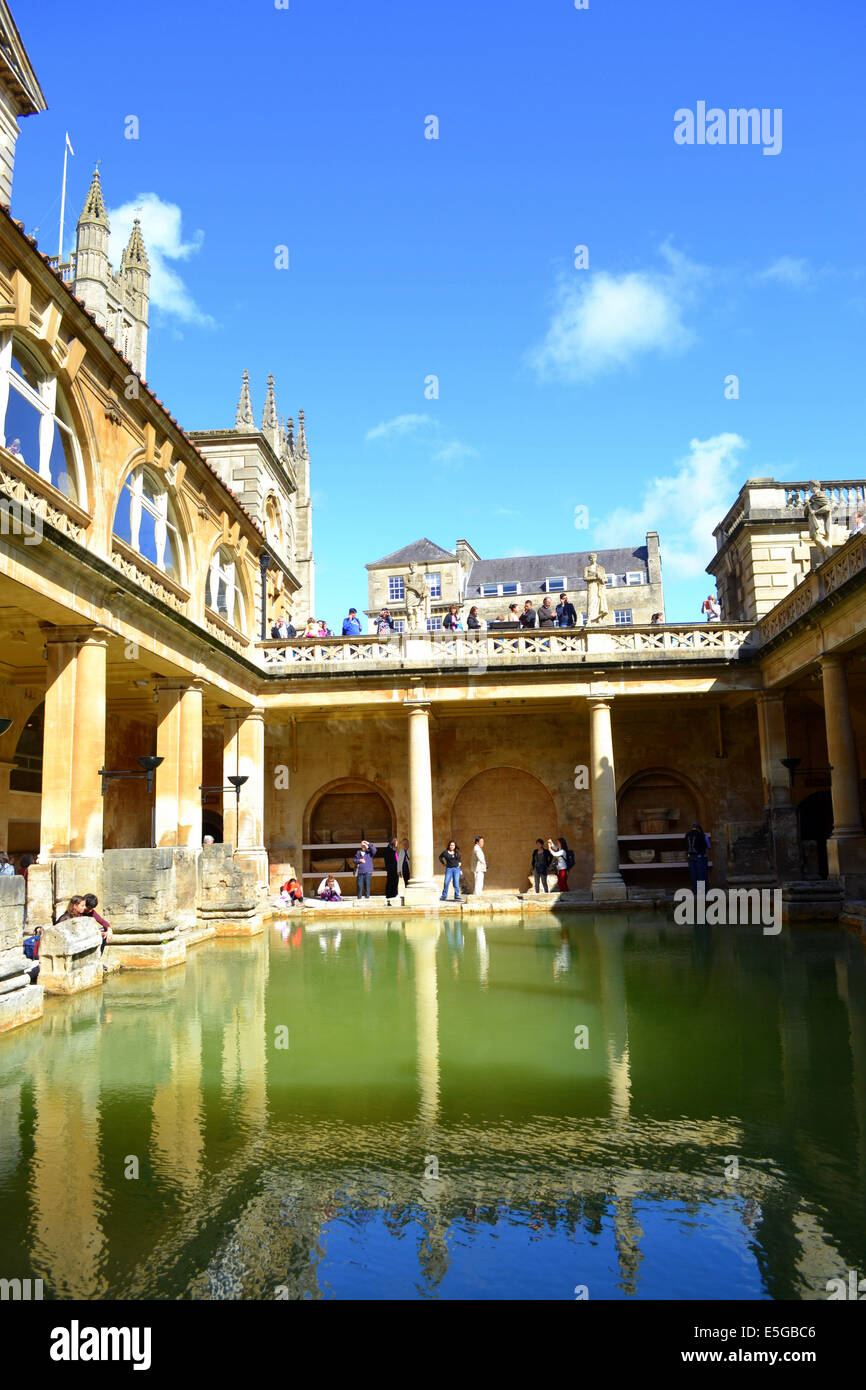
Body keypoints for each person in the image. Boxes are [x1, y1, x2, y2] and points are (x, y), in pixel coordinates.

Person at [685, 822, 710, 891]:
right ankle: (702, 890)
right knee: (701, 874)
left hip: (690, 856)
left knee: (693, 874)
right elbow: (708, 846)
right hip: (700, 857)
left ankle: (695, 890)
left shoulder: (687, 835)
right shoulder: (702, 835)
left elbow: (685, 846)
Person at [383, 837, 400, 906]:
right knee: (390, 882)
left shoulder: (395, 850)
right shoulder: (388, 850)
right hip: (391, 869)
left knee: (395, 882)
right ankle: (389, 896)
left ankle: (394, 895)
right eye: (396, 842)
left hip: (396, 869)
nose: (397, 843)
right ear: (393, 842)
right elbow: (389, 861)